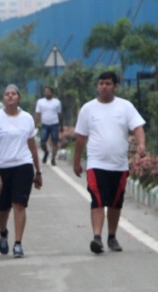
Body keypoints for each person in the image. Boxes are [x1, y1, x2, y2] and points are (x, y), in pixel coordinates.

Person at [73, 71, 146, 254]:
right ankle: (97, 237)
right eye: (101, 83)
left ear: (115, 86)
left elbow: (137, 127)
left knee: (115, 202)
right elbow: (81, 137)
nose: (104, 86)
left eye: (107, 83)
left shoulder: (125, 106)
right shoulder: (88, 109)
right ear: (97, 86)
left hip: (119, 164)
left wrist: (141, 144)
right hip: (96, 163)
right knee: (97, 199)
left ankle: (112, 236)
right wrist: (77, 161)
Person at [0, 84, 41, 258]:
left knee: (19, 205)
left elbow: (32, 147)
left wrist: (38, 172)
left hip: (23, 165)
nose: (10, 96)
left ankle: (18, 244)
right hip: (0, 167)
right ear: (3, 97)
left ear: (18, 97)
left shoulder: (27, 119)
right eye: (7, 94)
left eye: (13, 94)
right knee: (2, 210)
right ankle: (3, 232)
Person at [34, 85, 63, 166]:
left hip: (55, 124)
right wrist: (35, 124)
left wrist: (62, 125)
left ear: (51, 92)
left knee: (55, 142)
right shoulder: (40, 102)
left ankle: (53, 158)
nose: (46, 93)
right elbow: (37, 114)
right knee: (42, 142)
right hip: (45, 124)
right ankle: (46, 152)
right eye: (45, 91)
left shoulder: (57, 102)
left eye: (48, 91)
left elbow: (60, 114)